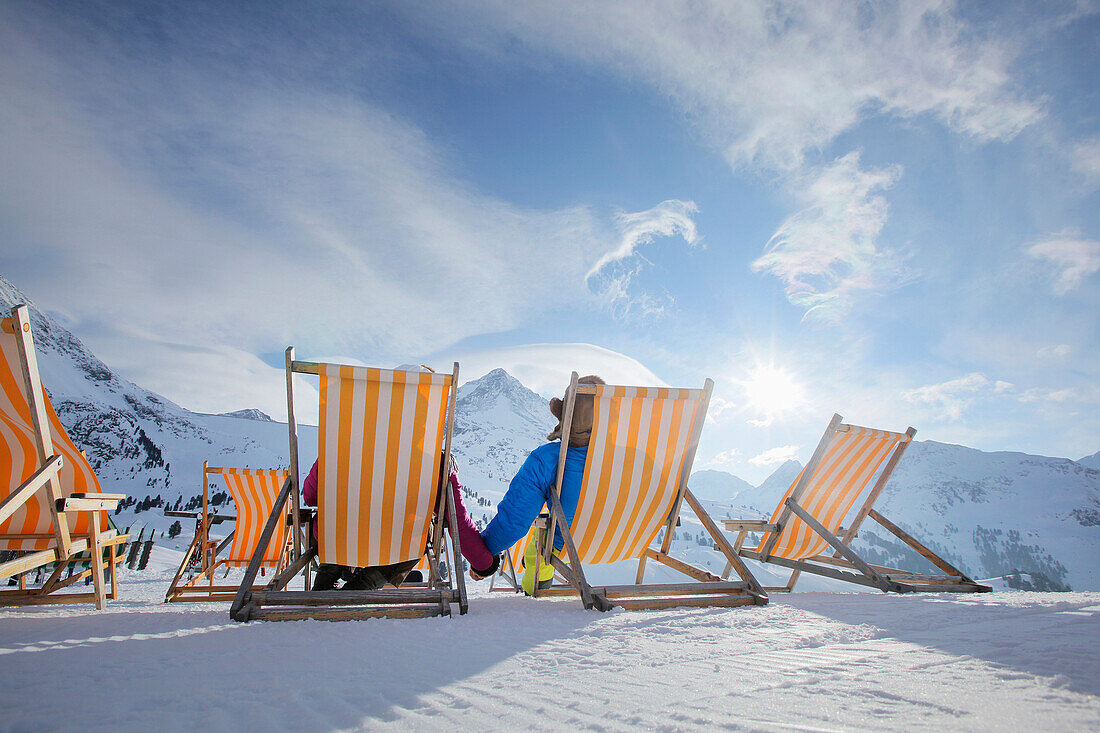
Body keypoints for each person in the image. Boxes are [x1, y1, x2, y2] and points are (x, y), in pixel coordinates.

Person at [478, 375, 605, 594]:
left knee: (543, 540)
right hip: (619, 538)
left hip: (563, 545)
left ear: (566, 417)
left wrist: (483, 555)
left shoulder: (548, 459)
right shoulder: (633, 459)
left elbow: (514, 520)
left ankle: (538, 584)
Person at [303, 452, 498, 591]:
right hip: (397, 543)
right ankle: (364, 585)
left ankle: (327, 573)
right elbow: (458, 522)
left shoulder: (339, 447)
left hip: (338, 535)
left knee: (329, 521)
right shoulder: (435, 460)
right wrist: (483, 564)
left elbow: (310, 497)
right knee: (423, 529)